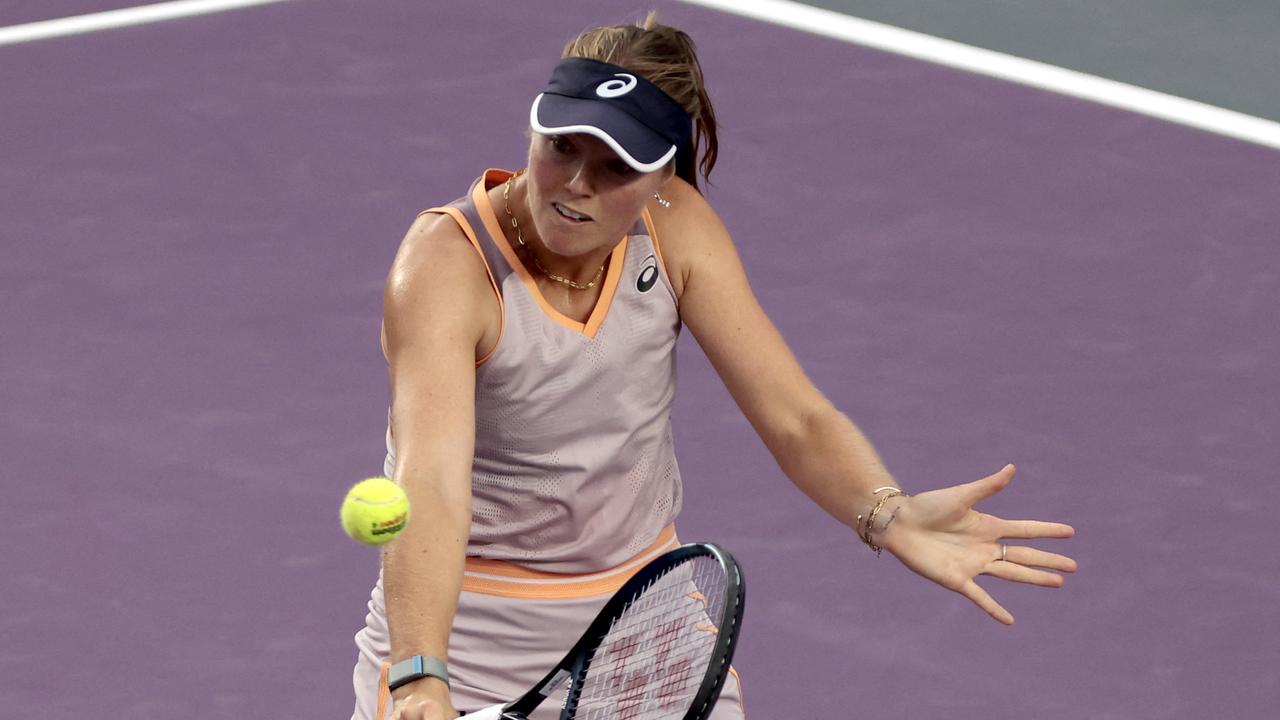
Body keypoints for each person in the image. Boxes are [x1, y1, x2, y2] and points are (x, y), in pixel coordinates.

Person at [350, 12, 1077, 720]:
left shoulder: (676, 230)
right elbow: (432, 481)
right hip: (466, 622)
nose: (575, 183)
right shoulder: (447, 267)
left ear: (660, 174)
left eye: (615, 168)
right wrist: (420, 672)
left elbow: (795, 415)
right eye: (562, 146)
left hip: (642, 619)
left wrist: (886, 512)